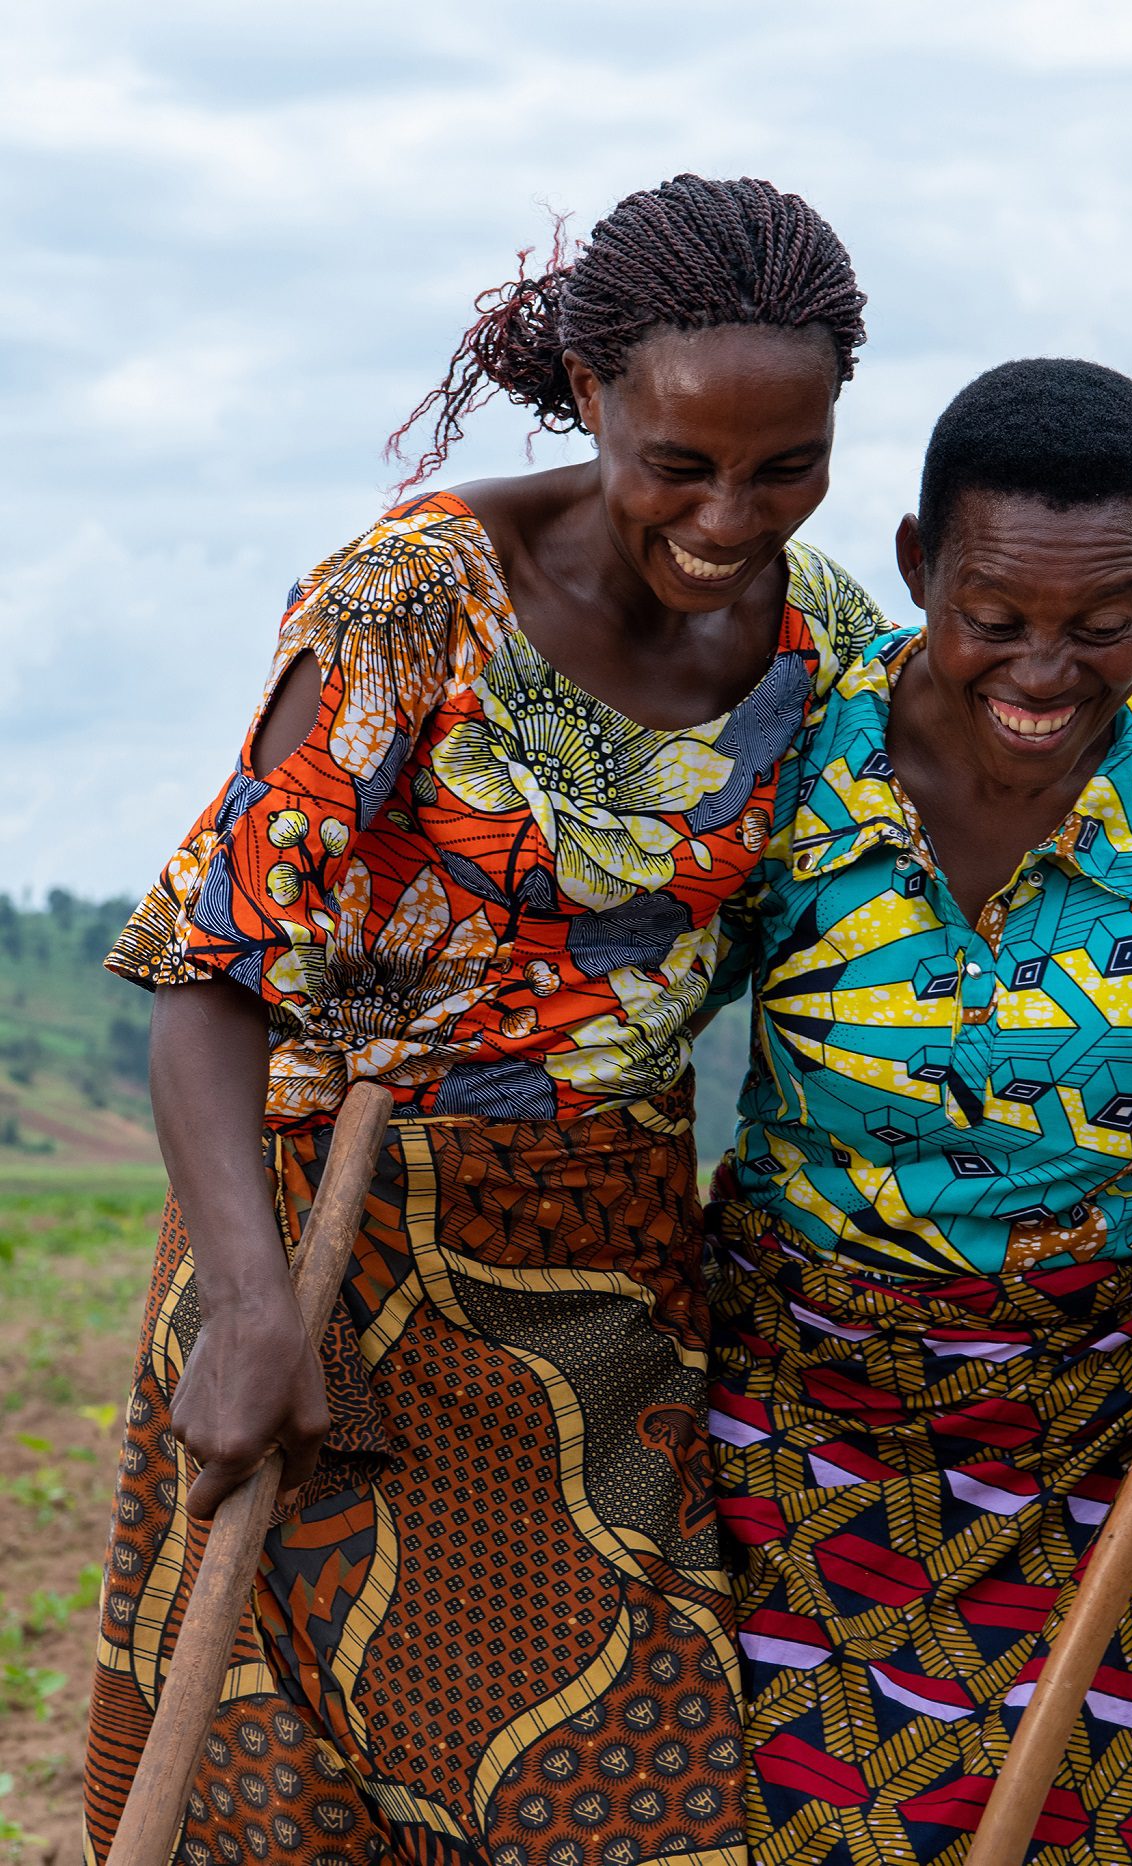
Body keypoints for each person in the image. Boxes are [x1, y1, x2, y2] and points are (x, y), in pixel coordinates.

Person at [85, 175, 886, 1866]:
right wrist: (247, 1311)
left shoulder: (827, 641)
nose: (730, 513)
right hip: (318, 1258)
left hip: (606, 1282)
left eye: (784, 464)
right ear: (591, 396)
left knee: (623, 1786)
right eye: (679, 459)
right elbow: (209, 975)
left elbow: (913, 896)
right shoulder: (415, 599)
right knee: (278, 1791)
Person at [702, 359, 1132, 1865]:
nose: (1045, 671)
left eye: (1103, 623)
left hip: (1107, 1433)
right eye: (995, 617)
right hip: (799, 1435)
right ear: (918, 563)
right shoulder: (782, 763)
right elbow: (639, 1014)